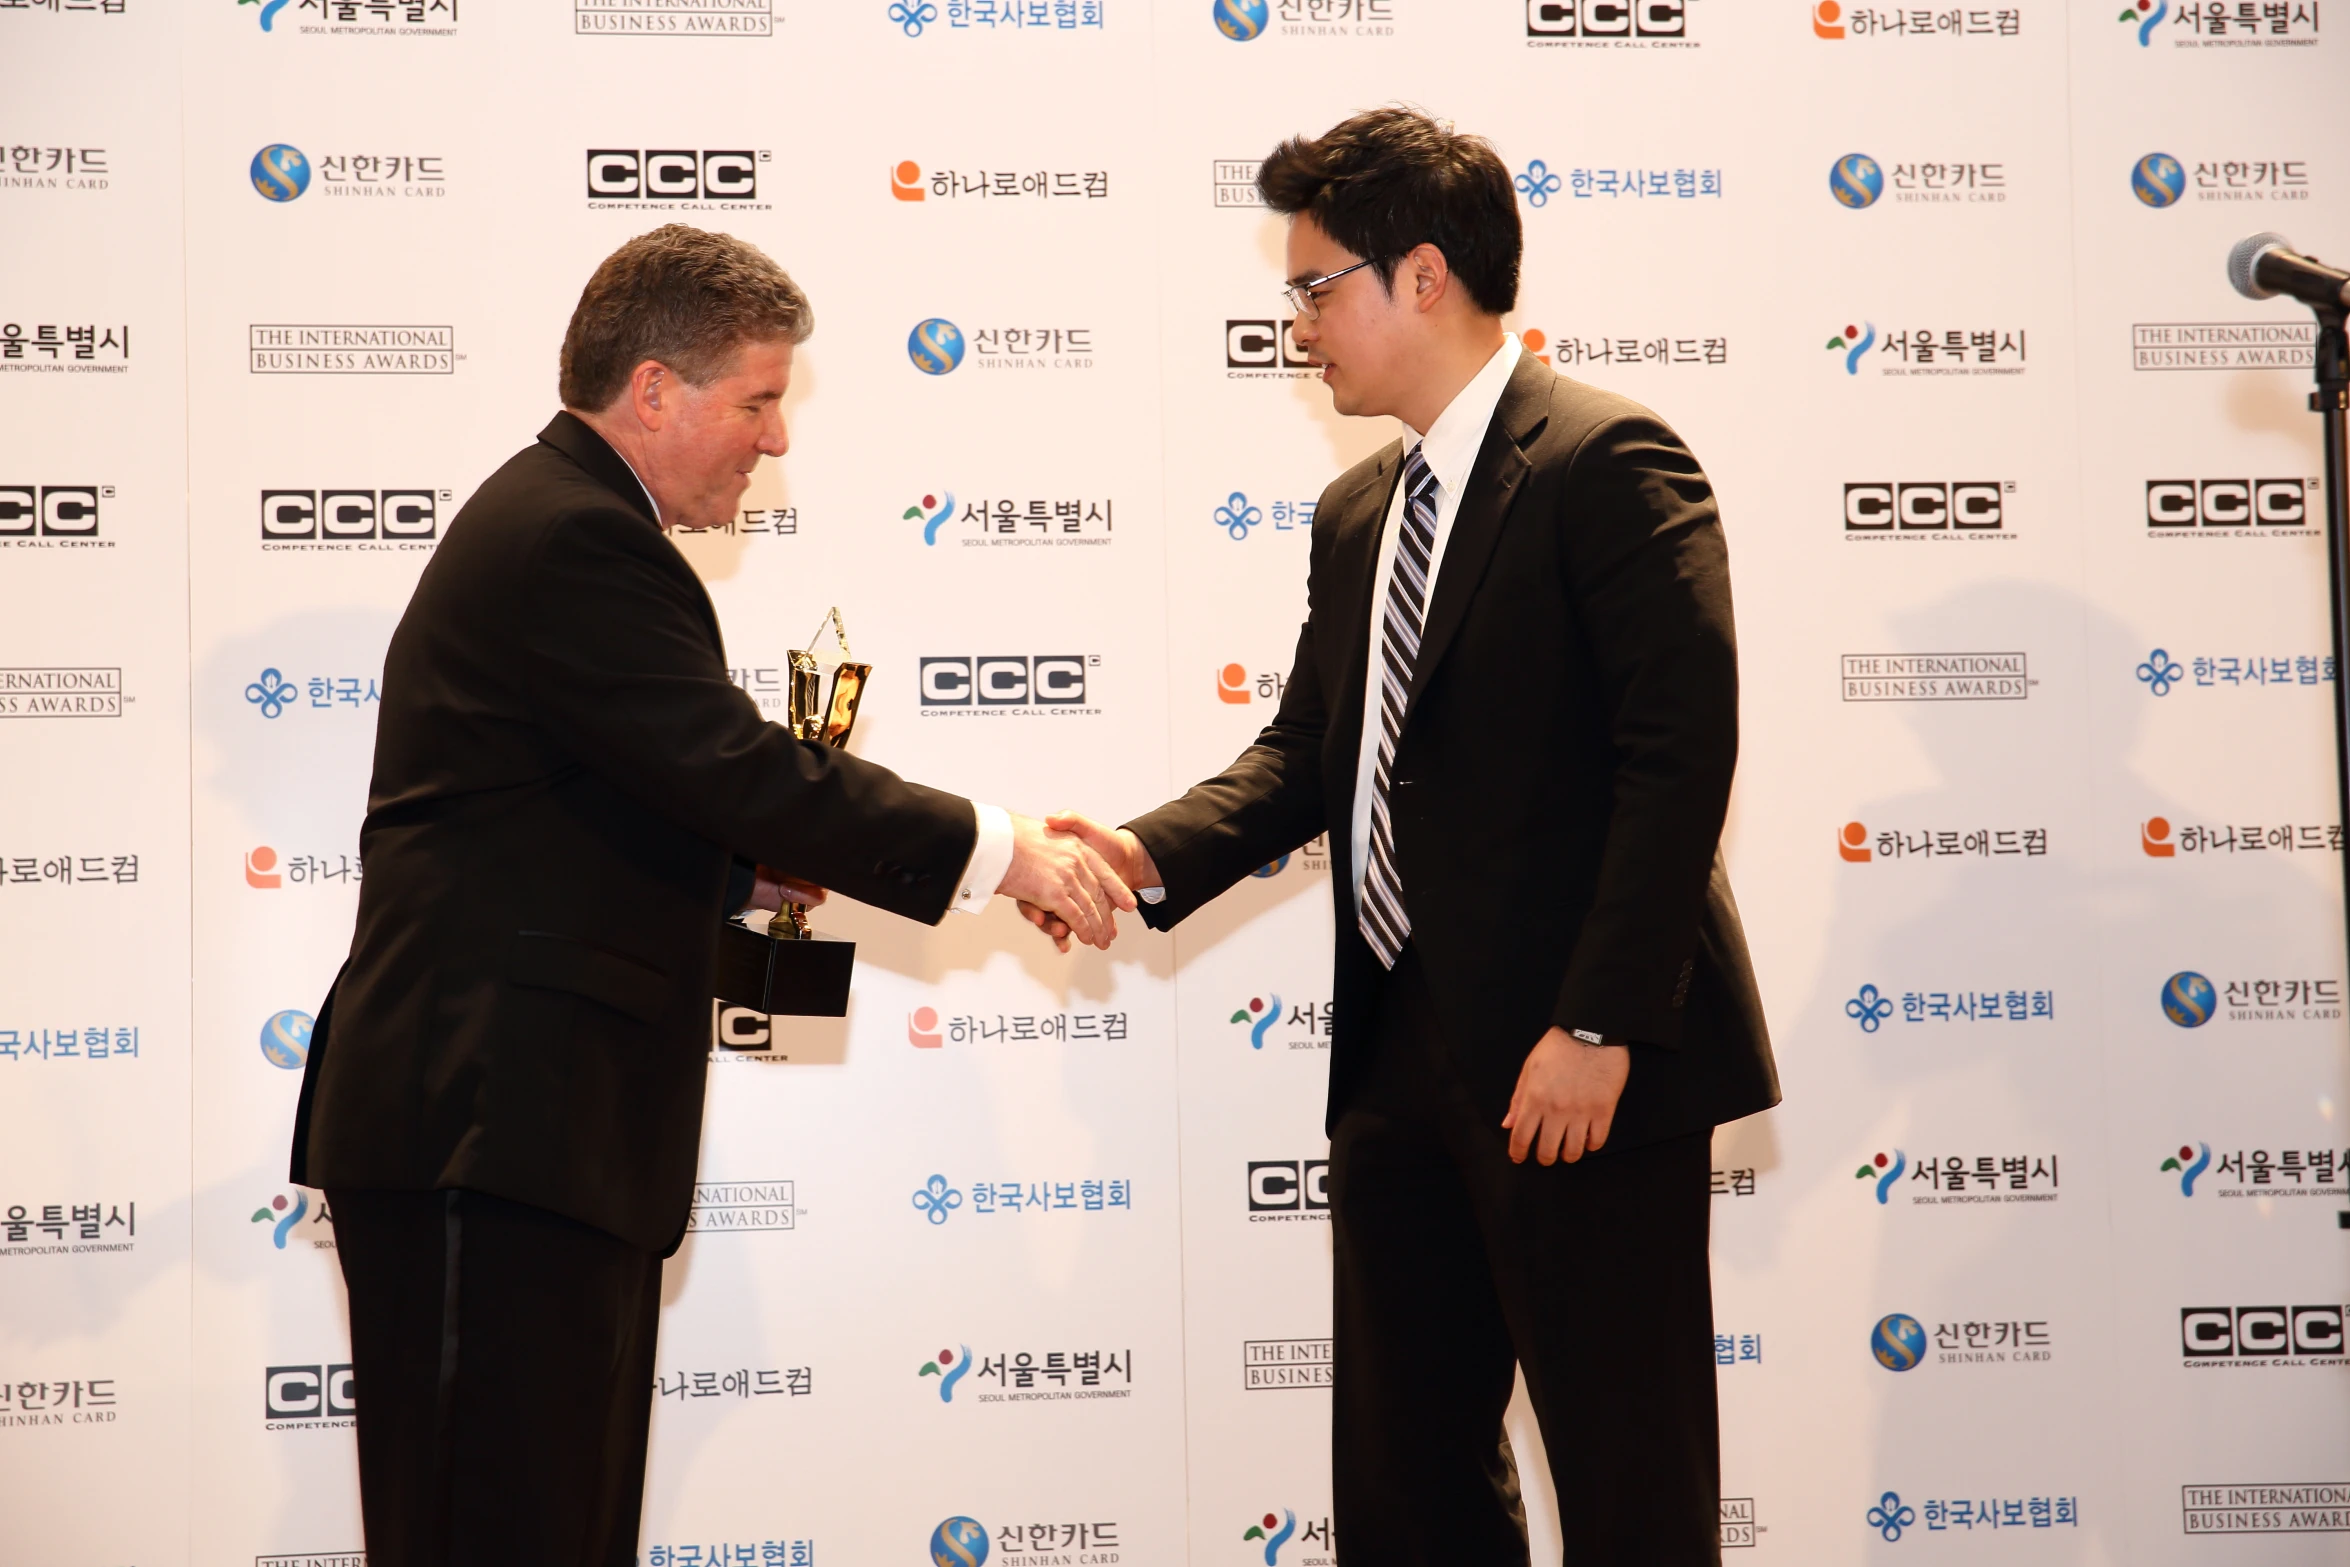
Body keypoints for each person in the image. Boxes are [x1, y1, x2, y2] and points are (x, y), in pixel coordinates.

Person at [288, 224, 1134, 1567]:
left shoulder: (571, 524)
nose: (777, 438)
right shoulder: (578, 539)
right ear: (654, 393)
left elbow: (598, 799)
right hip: (487, 1132)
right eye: (756, 400)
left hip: (525, 1140)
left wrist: (748, 867)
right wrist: (1001, 848)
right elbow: (735, 767)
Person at [1043, 111, 1778, 1565]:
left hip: (1573, 1061)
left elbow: (1677, 753)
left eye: (1315, 288)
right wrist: (1139, 853)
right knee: (1404, 1488)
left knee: (1626, 1481)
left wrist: (1596, 1017)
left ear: (1421, 275)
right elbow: (1309, 756)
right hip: (1397, 1056)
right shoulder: (1356, 508)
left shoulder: (1604, 456)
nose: (1297, 325)